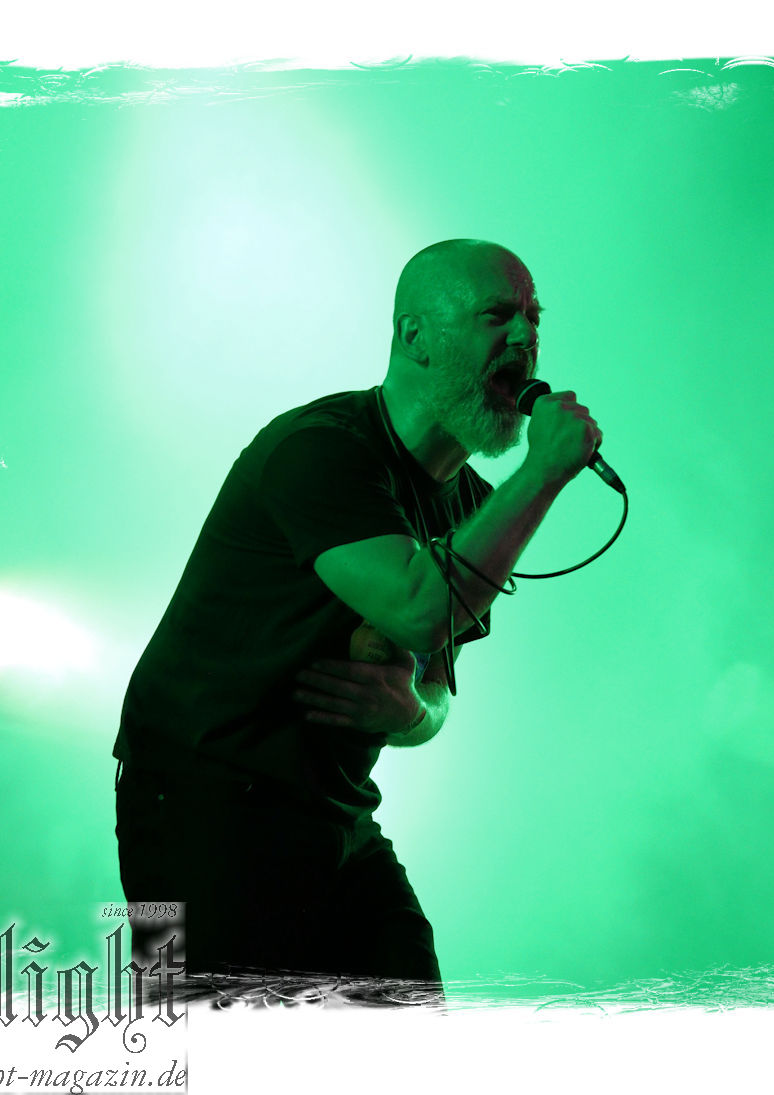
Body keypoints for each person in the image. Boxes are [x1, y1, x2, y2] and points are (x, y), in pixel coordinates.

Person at [112, 239, 600, 1000]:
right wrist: (541, 472)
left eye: (534, 318)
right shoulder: (321, 450)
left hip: (332, 816)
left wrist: (411, 712)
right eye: (497, 315)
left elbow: (434, 688)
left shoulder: (476, 506)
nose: (524, 337)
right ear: (416, 336)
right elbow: (417, 607)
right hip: (191, 808)